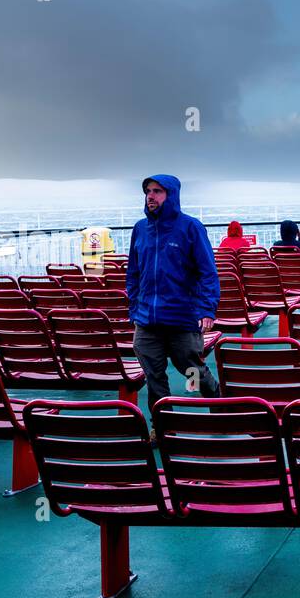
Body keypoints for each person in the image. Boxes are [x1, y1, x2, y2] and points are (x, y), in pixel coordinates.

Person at [125, 174, 222, 437]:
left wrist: (207, 309)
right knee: (154, 375)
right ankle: (163, 426)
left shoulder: (190, 228)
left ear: (171, 195)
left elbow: (208, 272)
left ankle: (215, 401)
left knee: (190, 370)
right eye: (148, 191)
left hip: (182, 317)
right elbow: (133, 272)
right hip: (147, 320)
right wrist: (135, 307)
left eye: (157, 191)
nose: (151, 196)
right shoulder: (140, 229)